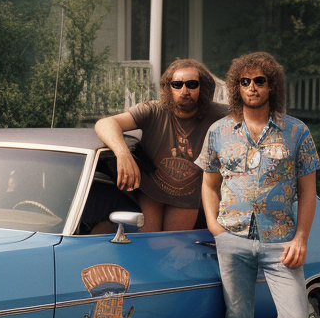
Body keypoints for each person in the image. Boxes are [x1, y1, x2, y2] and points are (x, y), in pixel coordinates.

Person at [196, 51, 320, 318]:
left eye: (260, 81)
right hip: (232, 239)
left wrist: (301, 237)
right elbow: (208, 183)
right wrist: (214, 227)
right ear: (236, 86)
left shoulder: (296, 131)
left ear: (272, 85)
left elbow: (308, 191)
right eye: (245, 82)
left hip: (281, 243)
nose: (252, 88)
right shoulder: (220, 132)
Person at [94, 59, 229, 233]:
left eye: (192, 84)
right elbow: (105, 123)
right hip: (151, 192)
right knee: (149, 241)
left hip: (187, 197)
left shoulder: (218, 114)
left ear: (202, 87)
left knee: (171, 247)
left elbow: (252, 119)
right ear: (168, 88)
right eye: (177, 84)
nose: (184, 91)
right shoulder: (153, 110)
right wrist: (123, 154)